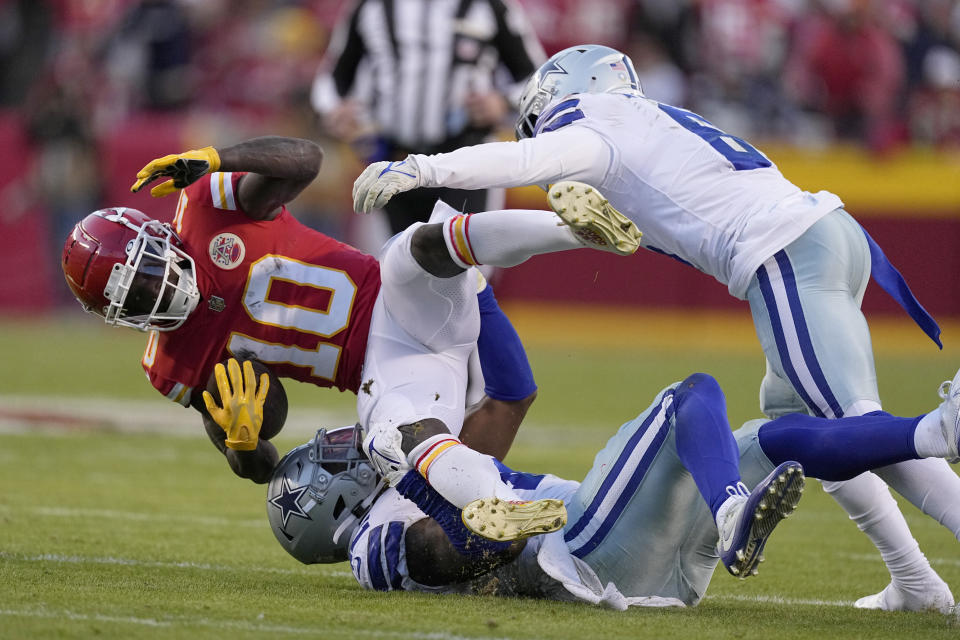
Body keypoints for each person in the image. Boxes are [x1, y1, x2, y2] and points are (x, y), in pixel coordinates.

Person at [350, 44, 960, 611]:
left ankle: (940, 436)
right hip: (826, 239)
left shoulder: (592, 121)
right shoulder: (653, 122)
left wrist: (422, 167)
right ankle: (913, 578)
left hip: (784, 254)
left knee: (863, 427)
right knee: (807, 426)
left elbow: (527, 158)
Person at [60, 134, 641, 541]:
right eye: (136, 301)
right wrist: (241, 447)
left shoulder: (208, 208)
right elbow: (264, 468)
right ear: (122, 318)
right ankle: (499, 509)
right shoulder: (172, 362)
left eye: (150, 275)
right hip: (383, 368)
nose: (155, 296)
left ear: (157, 236)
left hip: (392, 297)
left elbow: (304, 159)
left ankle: (573, 227)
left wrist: (217, 158)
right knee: (393, 436)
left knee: (419, 245)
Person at [267, 366, 960, 613]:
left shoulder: (402, 490)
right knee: (692, 394)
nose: (345, 448)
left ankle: (934, 432)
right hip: (589, 549)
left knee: (777, 435)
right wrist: (443, 502)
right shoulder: (372, 543)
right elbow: (446, 553)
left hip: (636, 554)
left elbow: (512, 391)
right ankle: (730, 509)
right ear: (324, 502)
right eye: (330, 459)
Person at [311, 0, 546, 236]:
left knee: (464, 258)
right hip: (393, 157)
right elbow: (332, 79)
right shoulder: (370, 6)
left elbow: (539, 78)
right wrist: (334, 110)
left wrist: (502, 102)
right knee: (397, 261)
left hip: (466, 157)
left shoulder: (489, 5)